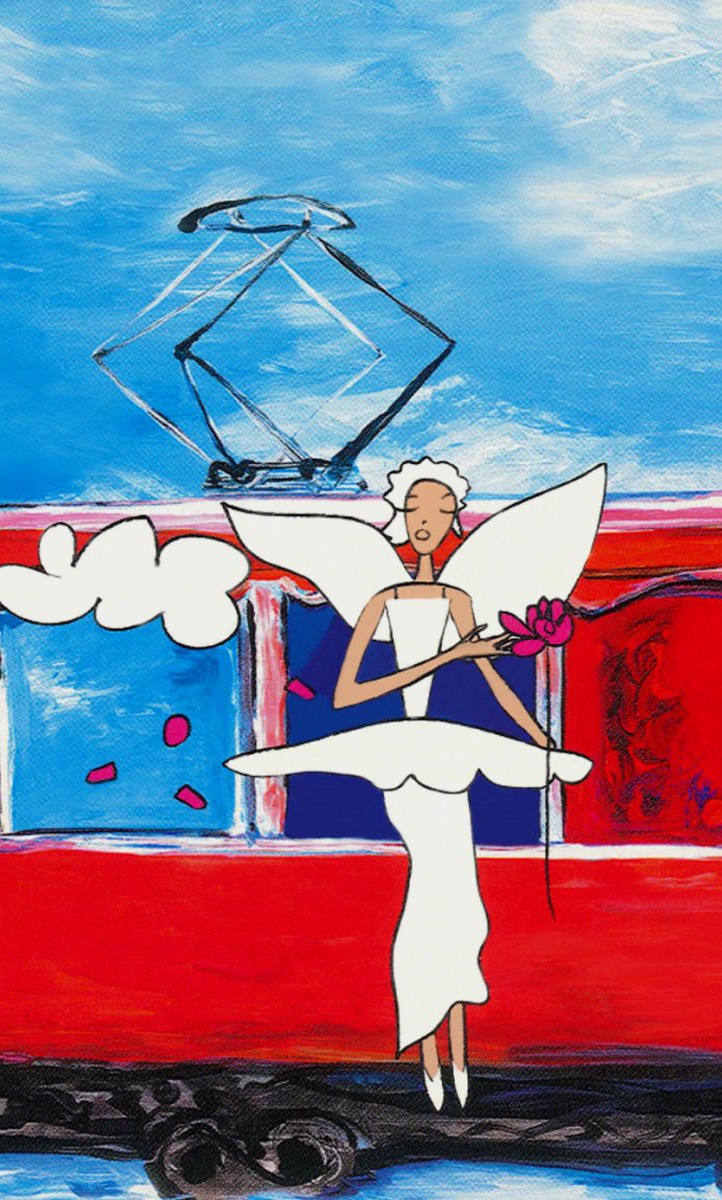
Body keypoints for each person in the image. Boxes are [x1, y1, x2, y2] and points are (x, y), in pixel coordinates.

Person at [223, 458, 606, 1110]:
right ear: (402, 519)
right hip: (402, 754)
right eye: (417, 511)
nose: (427, 522)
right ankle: (428, 1042)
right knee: (430, 887)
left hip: (450, 753)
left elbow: (490, 680)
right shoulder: (381, 600)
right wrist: (449, 656)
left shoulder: (459, 600)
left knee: (459, 893)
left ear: (454, 521)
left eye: (439, 512)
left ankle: (453, 1042)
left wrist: (537, 735)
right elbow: (351, 692)